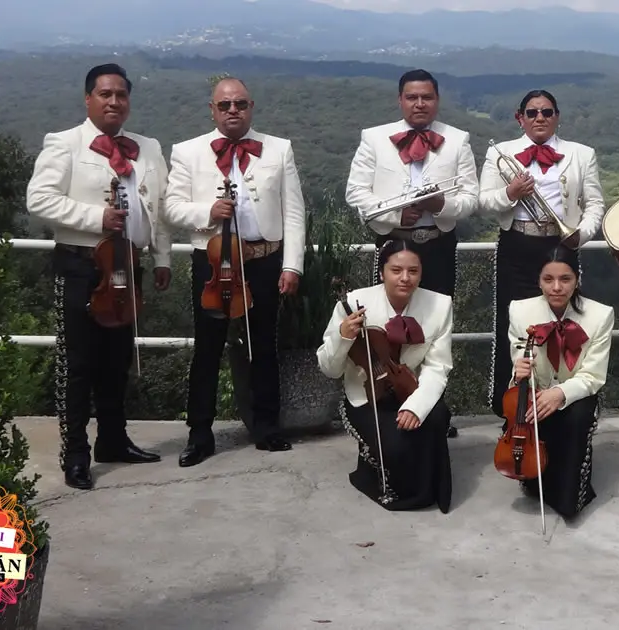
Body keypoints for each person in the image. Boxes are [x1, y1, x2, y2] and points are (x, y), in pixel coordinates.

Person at [26, 63, 173, 490]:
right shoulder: (65, 143)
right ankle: (75, 455)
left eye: (121, 95)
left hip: (129, 263)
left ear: (128, 101)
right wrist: (96, 217)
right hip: (80, 264)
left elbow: (160, 210)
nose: (113, 101)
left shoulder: (148, 147)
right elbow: (39, 199)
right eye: (105, 94)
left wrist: (162, 258)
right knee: (79, 364)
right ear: (88, 99)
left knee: (117, 360)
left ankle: (113, 440)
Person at [163, 76, 306, 467]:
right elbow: (172, 208)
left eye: (240, 104)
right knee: (207, 349)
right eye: (224, 105)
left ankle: (267, 427)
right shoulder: (188, 151)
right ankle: (199, 434)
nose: (232, 111)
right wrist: (206, 212)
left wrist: (292, 263)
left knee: (264, 345)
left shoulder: (279, 149)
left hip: (264, 258)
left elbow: (294, 211)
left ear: (251, 107)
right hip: (211, 261)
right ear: (212, 109)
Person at [345, 68, 478, 438]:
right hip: (393, 243)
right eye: (412, 97)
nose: (420, 104)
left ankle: (434, 407)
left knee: (436, 327)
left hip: (437, 243)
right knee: (390, 327)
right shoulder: (373, 138)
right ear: (400, 100)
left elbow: (470, 198)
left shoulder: (458, 139)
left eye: (427, 97)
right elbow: (356, 193)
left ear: (437, 100)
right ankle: (392, 401)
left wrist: (441, 205)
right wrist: (394, 214)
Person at [480, 89, 606, 424]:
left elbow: (594, 204)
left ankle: (561, 399)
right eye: (532, 112)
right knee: (515, 326)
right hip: (517, 246)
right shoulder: (501, 153)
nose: (540, 118)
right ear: (519, 117)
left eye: (547, 112)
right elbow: (484, 201)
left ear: (557, 117)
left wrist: (583, 233)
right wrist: (511, 193)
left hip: (561, 247)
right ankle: (512, 409)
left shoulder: (582, 154)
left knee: (564, 327)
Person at [316, 239, 454, 512]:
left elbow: (438, 367)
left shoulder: (440, 304)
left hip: (408, 389)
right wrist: (343, 337)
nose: (405, 278)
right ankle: (374, 475)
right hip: (366, 395)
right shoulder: (354, 302)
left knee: (438, 417)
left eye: (413, 271)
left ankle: (429, 490)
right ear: (382, 272)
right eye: (396, 270)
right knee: (397, 447)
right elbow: (328, 368)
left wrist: (416, 407)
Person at [502, 248, 614, 519]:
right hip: (535, 389)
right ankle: (531, 474)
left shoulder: (600, 315)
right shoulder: (520, 310)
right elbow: (519, 355)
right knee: (525, 411)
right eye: (548, 279)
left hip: (576, 392)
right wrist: (520, 370)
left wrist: (560, 394)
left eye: (565, 279)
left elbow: (593, 376)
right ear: (538, 280)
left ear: (577, 280)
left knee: (576, 418)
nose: (556, 287)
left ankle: (567, 497)